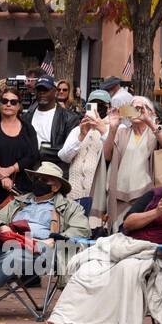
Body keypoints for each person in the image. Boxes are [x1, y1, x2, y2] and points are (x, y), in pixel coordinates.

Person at [35, 158, 162, 324]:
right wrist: (157, 212)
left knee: (128, 269)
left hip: (158, 254)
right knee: (88, 269)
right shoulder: (154, 196)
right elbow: (127, 223)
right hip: (126, 245)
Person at [0, 161, 90, 322]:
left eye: (44, 180)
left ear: (56, 187)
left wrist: (53, 240)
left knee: (14, 256)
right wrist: (3, 226)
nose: (38, 182)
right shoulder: (19, 201)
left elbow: (81, 230)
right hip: (10, 241)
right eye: (37, 178)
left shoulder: (70, 207)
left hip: (42, 250)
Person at [105, 94, 162, 228]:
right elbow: (107, 155)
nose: (136, 111)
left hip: (147, 193)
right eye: (132, 108)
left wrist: (149, 122)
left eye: (140, 108)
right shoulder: (122, 132)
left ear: (150, 112)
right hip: (120, 194)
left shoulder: (157, 130)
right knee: (119, 231)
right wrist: (113, 129)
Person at [0, 86, 40, 212]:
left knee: (16, 227)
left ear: (19, 106)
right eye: (5, 101)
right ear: (0, 104)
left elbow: (32, 156)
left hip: (20, 189)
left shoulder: (28, 129)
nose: (8, 104)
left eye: (13, 102)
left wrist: (10, 170)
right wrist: (2, 176)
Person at [57, 88, 112, 226]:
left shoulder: (115, 128)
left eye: (101, 105)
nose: (97, 109)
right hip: (74, 194)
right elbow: (63, 156)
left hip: (99, 195)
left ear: (109, 108)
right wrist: (81, 136)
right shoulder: (77, 129)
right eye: (93, 105)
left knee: (95, 231)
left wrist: (102, 129)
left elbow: (115, 153)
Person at [23, 76, 79, 172]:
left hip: (56, 172)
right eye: (39, 90)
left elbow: (69, 148)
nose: (42, 93)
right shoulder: (26, 117)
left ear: (55, 92)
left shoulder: (69, 118)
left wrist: (42, 152)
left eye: (45, 90)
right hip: (29, 170)